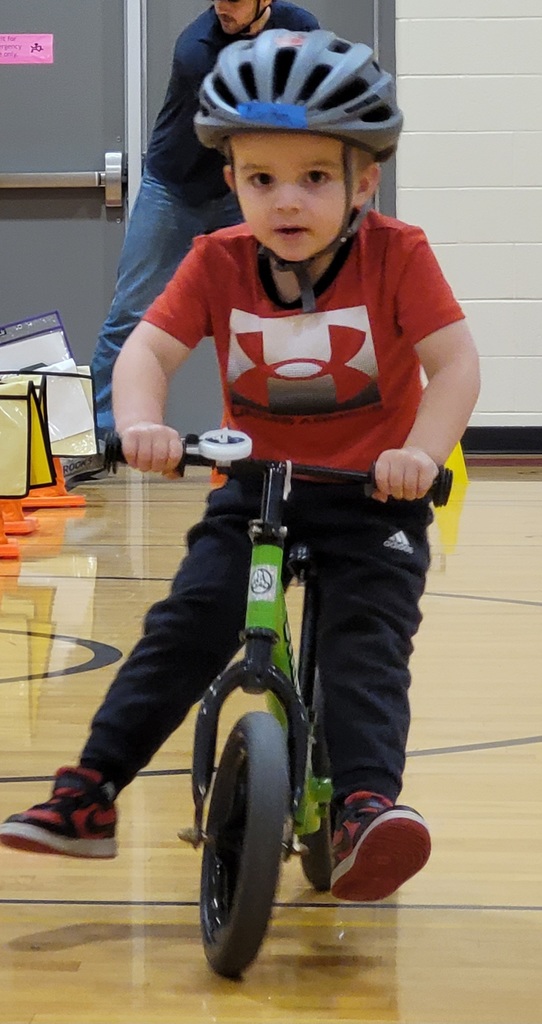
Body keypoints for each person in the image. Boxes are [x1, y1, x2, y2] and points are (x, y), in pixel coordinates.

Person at [0, 30, 480, 902]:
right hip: (257, 492)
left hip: (373, 497)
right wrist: (141, 423)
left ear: (364, 181)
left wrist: (420, 453)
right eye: (261, 180)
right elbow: (147, 351)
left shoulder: (396, 256)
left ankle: (365, 809)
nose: (286, 201)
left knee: (364, 643)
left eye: (315, 178)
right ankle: (92, 794)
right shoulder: (216, 261)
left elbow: (455, 364)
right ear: (230, 182)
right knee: (188, 626)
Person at [90, 0, 319, 442]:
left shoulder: (300, 26)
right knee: (130, 314)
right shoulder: (197, 47)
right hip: (175, 189)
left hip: (241, 190)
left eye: (233, 0)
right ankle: (105, 439)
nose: (222, 8)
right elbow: (255, 122)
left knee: (273, 313)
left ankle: (269, 434)